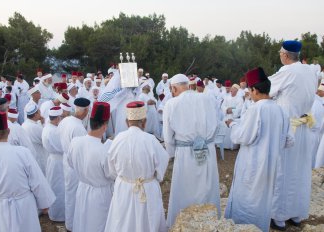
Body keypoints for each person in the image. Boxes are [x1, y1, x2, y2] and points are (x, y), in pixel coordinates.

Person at [224, 67, 293, 232]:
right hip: (271, 167)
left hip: (252, 166)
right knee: (263, 201)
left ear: (254, 90)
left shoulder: (256, 109)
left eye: (250, 90)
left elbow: (241, 137)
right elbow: (289, 140)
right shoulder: (281, 110)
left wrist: (232, 124)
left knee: (247, 201)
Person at [0, 112, 55, 231]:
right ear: (8, 132)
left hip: (0, 208)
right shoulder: (23, 153)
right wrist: (44, 203)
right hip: (25, 206)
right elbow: (37, 180)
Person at [269, 40, 318, 230]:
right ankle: (297, 214)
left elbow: (267, 88)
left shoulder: (287, 72)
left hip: (290, 128)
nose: (280, 55)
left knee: (284, 171)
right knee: (300, 171)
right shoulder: (309, 71)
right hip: (304, 126)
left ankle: (279, 217)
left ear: (285, 55)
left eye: (280, 53)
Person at [164, 74, 220, 227]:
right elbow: (217, 124)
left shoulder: (171, 104)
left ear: (174, 88)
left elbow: (168, 137)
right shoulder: (208, 99)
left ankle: (184, 225)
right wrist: (207, 142)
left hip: (185, 154)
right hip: (207, 150)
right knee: (206, 187)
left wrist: (171, 154)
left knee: (185, 189)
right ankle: (210, 223)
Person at [104, 101, 169, 232]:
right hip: (147, 187)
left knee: (122, 220)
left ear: (127, 121)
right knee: (148, 221)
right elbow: (162, 164)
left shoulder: (117, 139)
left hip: (124, 187)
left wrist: (124, 177)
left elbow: (111, 169)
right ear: (144, 122)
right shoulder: (151, 140)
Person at [67, 102, 114, 232]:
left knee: (82, 221)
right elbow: (111, 175)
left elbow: (71, 163)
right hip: (100, 194)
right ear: (105, 126)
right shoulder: (104, 151)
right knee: (98, 224)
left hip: (82, 188)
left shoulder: (75, 142)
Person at [60, 97, 90, 231]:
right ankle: (72, 225)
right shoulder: (79, 128)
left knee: (69, 193)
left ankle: (70, 223)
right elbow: (82, 152)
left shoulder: (66, 120)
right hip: (74, 165)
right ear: (86, 111)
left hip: (66, 159)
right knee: (75, 195)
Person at [42, 106, 66, 222]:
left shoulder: (48, 127)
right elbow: (62, 147)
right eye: (61, 118)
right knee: (59, 188)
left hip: (53, 160)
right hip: (58, 162)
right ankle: (59, 215)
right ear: (57, 119)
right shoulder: (53, 131)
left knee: (54, 186)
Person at [22, 104, 48, 175]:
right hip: (39, 156)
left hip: (29, 157)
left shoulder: (24, 125)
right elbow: (45, 140)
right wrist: (43, 124)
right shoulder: (35, 127)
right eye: (39, 111)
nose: (40, 113)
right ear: (36, 114)